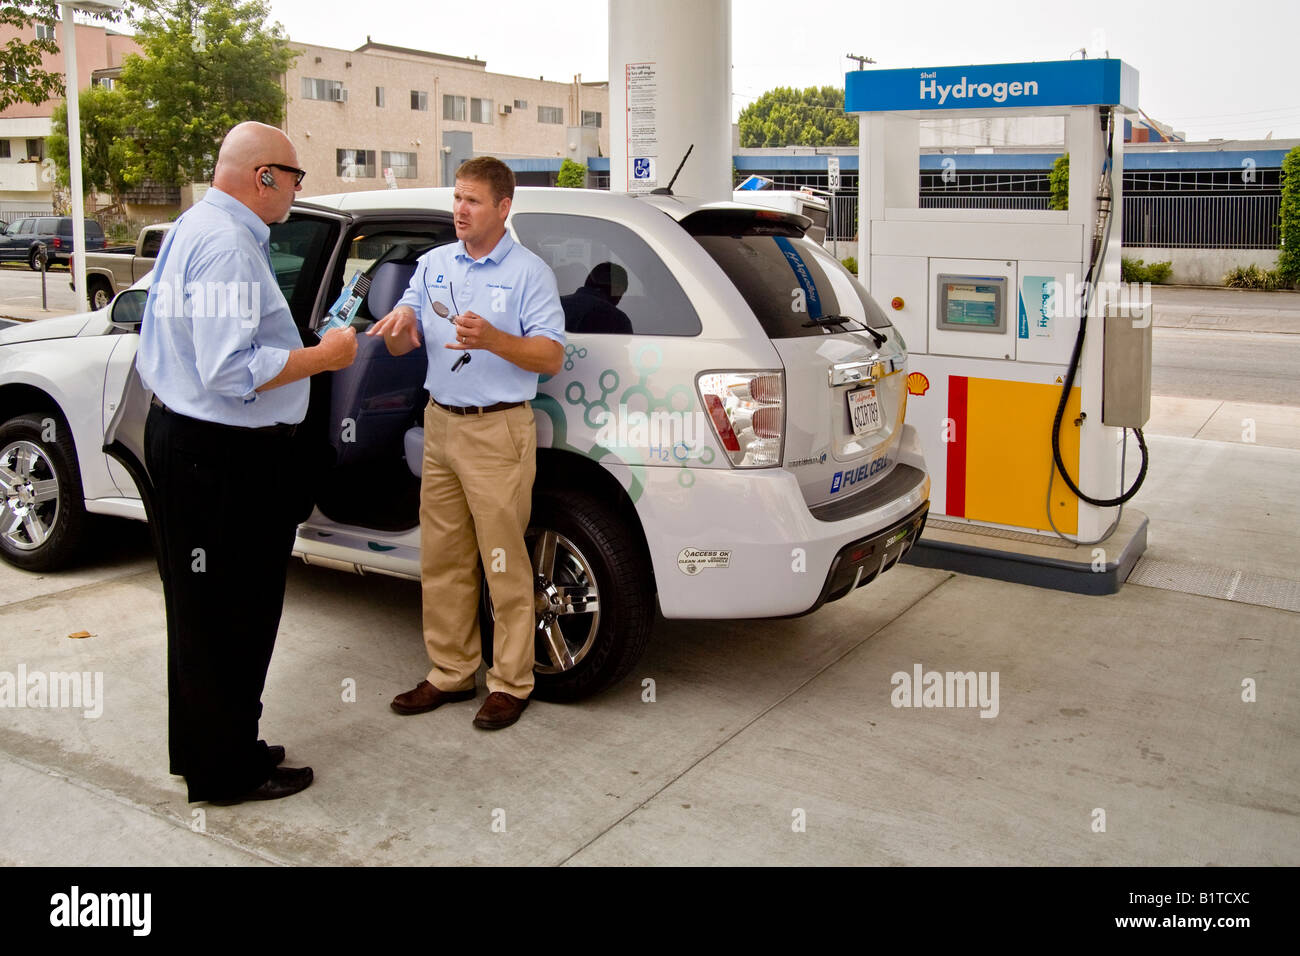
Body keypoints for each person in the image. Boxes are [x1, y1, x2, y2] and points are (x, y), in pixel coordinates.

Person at [138, 121, 357, 804]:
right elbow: (231, 370)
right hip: (220, 458)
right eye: (294, 176)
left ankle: (220, 748)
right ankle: (226, 771)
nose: (297, 189)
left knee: (208, 615)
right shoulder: (229, 244)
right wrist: (326, 358)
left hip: (195, 447)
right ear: (263, 176)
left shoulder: (195, 227)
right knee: (232, 615)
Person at [368, 157, 564, 730]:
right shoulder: (432, 265)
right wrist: (400, 328)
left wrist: (497, 339)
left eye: (473, 200)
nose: (460, 210)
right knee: (444, 557)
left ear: (503, 208)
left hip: (497, 428)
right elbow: (407, 339)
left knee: (503, 560)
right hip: (441, 425)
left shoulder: (530, 273)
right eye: (457, 198)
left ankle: (510, 682)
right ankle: (450, 673)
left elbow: (550, 356)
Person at [561, 262, 633, 334]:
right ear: (618, 289)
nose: (620, 298)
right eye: (622, 292)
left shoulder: (556, 304)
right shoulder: (617, 319)